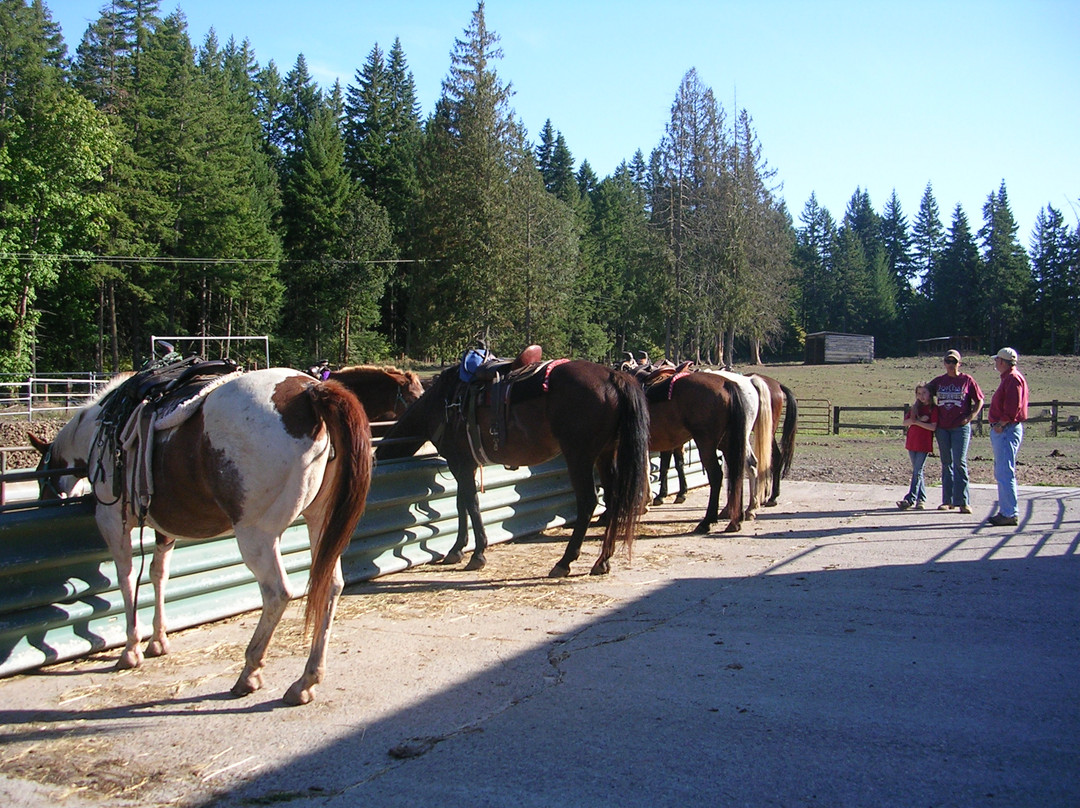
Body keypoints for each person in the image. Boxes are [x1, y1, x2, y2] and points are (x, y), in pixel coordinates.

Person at [927, 350, 984, 513]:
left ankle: (963, 501)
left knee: (960, 462)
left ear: (959, 363)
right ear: (944, 363)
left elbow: (979, 400)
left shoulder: (967, 380)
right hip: (942, 428)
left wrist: (971, 416)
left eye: (954, 362)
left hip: (960, 427)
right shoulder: (939, 381)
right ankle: (948, 500)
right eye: (948, 361)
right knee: (946, 463)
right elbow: (923, 394)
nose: (951, 365)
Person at [987, 347, 1029, 527]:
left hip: (1006, 430)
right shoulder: (1010, 378)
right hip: (1006, 428)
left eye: (997, 360)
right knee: (1003, 470)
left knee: (1005, 471)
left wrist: (1001, 423)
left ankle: (1009, 512)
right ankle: (1007, 510)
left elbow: (1013, 406)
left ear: (1003, 362)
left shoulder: (1012, 379)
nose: (996, 363)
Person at [897, 382, 938, 510]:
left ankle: (910, 498)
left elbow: (932, 426)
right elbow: (906, 422)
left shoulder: (933, 409)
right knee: (917, 471)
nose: (922, 396)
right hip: (912, 442)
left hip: (924, 443)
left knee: (917, 471)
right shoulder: (914, 408)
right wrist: (919, 421)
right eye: (919, 393)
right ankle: (921, 499)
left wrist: (917, 422)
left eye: (924, 393)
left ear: (929, 393)